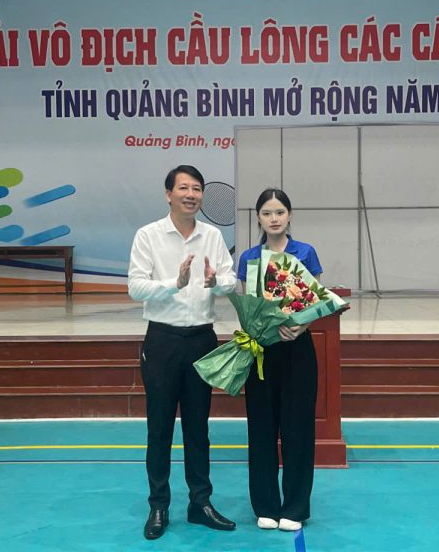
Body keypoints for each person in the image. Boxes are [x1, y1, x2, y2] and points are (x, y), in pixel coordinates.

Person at [128, 165, 237, 540]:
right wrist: (173, 283)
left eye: (197, 189)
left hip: (202, 340)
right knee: (159, 428)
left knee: (198, 428)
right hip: (162, 341)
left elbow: (230, 279)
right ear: (168, 194)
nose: (191, 195)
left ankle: (200, 503)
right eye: (184, 188)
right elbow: (135, 287)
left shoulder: (213, 236)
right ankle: (158, 505)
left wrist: (216, 282)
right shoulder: (148, 235)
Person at [237, 188, 321, 532]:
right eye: (267, 213)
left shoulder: (305, 252)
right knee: (261, 429)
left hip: (297, 350)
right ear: (258, 218)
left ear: (289, 215)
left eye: (280, 212)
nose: (274, 218)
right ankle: (266, 505)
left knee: (298, 429)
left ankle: (295, 507)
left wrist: (301, 327)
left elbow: (316, 300)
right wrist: (258, 327)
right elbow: (244, 305)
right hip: (261, 351)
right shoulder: (248, 257)